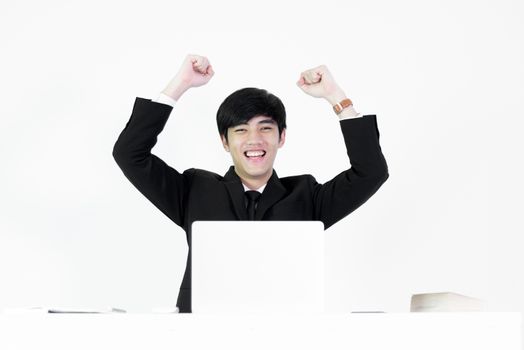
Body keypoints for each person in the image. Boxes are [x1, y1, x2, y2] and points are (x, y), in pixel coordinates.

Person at [112, 54, 389, 313]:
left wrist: (335, 97)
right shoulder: (193, 190)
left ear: (281, 137)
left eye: (265, 128)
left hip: (286, 334)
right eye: (241, 130)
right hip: (203, 334)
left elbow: (371, 172)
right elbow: (130, 153)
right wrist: (180, 84)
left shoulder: (307, 196)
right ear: (225, 141)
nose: (254, 139)